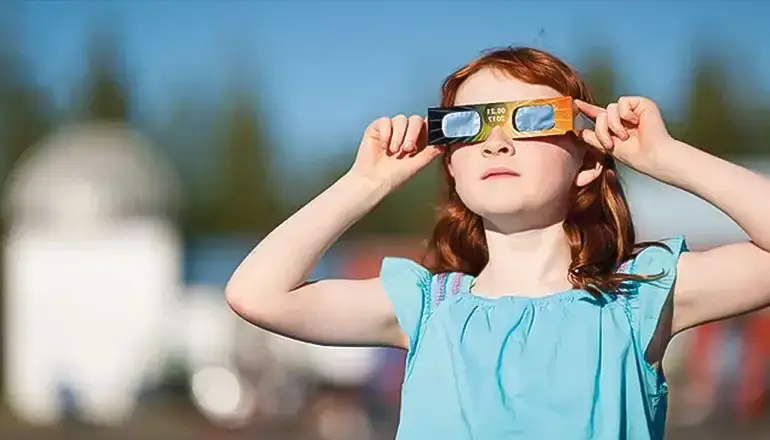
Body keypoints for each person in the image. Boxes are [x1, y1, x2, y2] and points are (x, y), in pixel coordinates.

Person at [224, 47, 770, 439]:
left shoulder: (636, 297)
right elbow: (257, 294)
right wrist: (364, 184)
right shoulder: (426, 308)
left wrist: (668, 158)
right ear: (451, 164)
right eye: (468, 125)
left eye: (531, 119)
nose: (497, 142)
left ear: (586, 161)